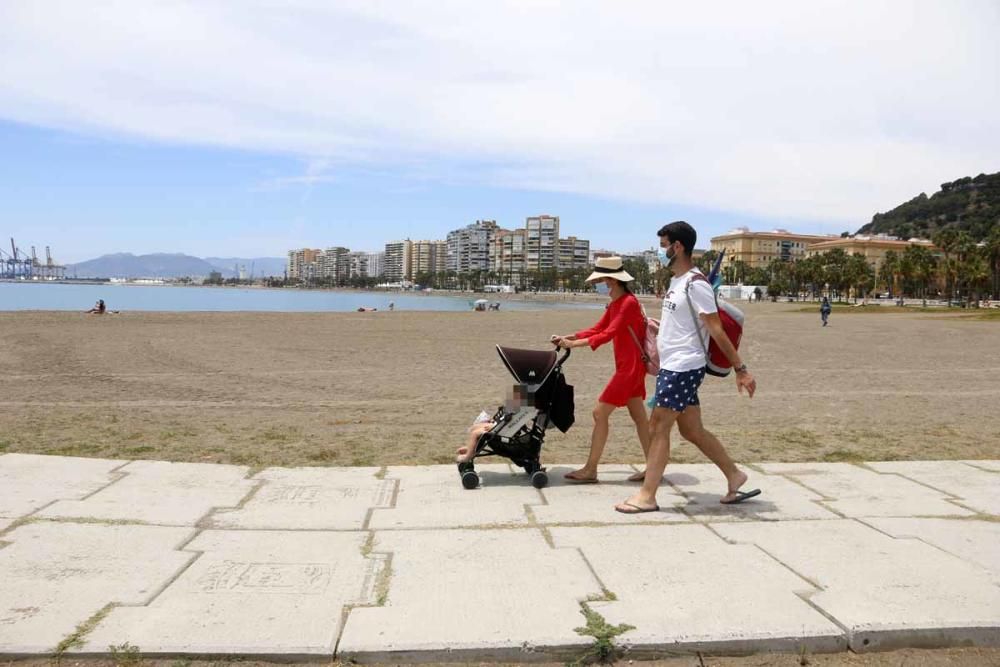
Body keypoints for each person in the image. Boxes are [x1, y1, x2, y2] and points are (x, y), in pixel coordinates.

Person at [616, 221, 758, 513]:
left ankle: (647, 496)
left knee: (657, 426)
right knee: (692, 430)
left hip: (684, 367)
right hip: (673, 365)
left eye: (663, 245)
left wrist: (741, 369)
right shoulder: (677, 282)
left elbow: (716, 330)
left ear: (677, 247)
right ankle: (735, 475)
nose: (661, 251)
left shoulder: (697, 284)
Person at [551, 256, 650, 483]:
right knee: (639, 417)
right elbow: (599, 328)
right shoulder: (617, 302)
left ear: (610, 279)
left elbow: (609, 333)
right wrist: (569, 337)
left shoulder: (628, 303)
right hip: (632, 366)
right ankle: (654, 466)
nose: (600, 283)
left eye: (602, 279)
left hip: (630, 368)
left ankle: (591, 469)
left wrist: (573, 345)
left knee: (599, 413)